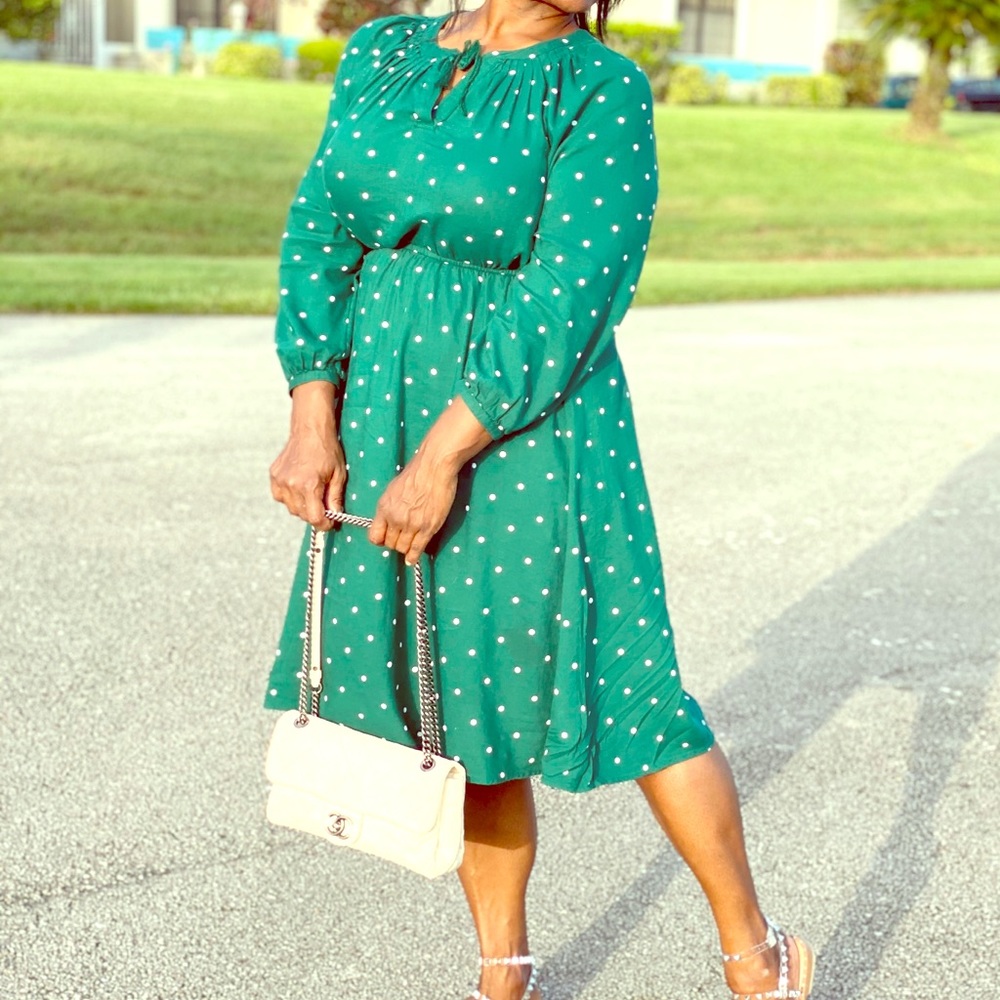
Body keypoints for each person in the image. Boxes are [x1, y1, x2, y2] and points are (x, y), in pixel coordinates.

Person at [265, 3, 816, 999]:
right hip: (383, 399)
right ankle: (501, 972)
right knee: (465, 708)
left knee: (636, 691)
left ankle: (752, 952)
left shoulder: (599, 89)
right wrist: (312, 405)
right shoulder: (381, 51)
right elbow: (319, 227)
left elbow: (570, 291)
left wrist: (439, 457)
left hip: (533, 426)